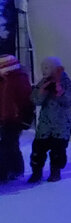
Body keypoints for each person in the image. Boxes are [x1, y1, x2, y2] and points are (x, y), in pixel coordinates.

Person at [28, 57, 71, 183]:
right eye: (42, 68)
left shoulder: (67, 83)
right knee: (38, 148)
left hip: (61, 124)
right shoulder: (43, 82)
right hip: (45, 123)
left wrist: (61, 93)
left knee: (58, 149)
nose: (43, 70)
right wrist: (42, 91)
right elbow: (34, 100)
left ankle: (55, 172)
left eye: (47, 68)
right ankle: (37, 172)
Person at [0, 54, 34, 183]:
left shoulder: (18, 80)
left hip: (14, 118)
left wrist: (26, 117)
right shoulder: (3, 81)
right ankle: (15, 168)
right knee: (10, 145)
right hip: (5, 117)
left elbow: (25, 100)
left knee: (7, 145)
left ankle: (5, 172)